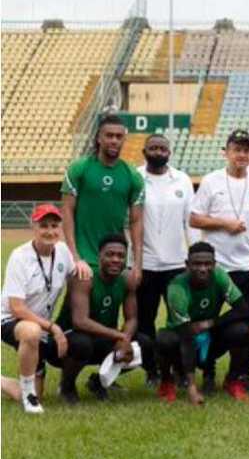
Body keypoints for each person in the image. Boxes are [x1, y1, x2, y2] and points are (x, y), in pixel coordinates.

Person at [190, 129, 249, 391]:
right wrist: (224, 224)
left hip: (247, 266)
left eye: (247, 150)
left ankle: (239, 374)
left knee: (244, 322)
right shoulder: (212, 181)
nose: (242, 154)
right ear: (225, 152)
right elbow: (195, 218)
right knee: (205, 316)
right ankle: (208, 370)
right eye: (237, 149)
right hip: (214, 267)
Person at [54, 234, 153, 404]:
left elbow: (132, 318)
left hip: (103, 339)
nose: (115, 260)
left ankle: (98, 382)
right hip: (66, 343)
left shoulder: (127, 280)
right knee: (82, 343)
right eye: (110, 254)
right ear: (99, 256)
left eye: (121, 256)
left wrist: (125, 339)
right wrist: (118, 336)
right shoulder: (85, 278)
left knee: (144, 344)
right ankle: (67, 386)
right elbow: (80, 321)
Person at [156, 242, 249, 405]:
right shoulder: (176, 287)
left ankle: (232, 380)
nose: (203, 269)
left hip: (209, 336)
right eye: (197, 264)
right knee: (163, 339)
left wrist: (210, 323)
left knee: (241, 330)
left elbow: (243, 309)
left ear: (214, 264)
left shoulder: (220, 276)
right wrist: (192, 387)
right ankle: (167, 381)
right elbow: (186, 338)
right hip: (182, 340)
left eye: (208, 264)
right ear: (187, 265)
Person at [0, 205, 75, 413]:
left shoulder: (63, 252)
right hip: (10, 320)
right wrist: (53, 328)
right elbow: (16, 307)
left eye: (54, 225)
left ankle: (8, 384)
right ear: (33, 227)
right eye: (43, 226)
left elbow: (75, 279)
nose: (50, 231)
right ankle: (29, 397)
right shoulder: (20, 256)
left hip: (40, 324)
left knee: (41, 392)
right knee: (31, 332)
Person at [60, 113, 144, 286]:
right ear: (99, 138)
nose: (114, 140)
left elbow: (136, 221)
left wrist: (137, 264)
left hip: (114, 258)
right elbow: (67, 211)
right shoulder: (79, 168)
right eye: (109, 135)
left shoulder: (132, 176)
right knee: (79, 308)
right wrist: (74, 256)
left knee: (108, 310)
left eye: (119, 137)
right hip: (83, 257)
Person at [136, 133, 193, 387]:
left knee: (179, 320)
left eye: (162, 148)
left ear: (169, 153)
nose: (158, 152)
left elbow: (190, 222)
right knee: (144, 321)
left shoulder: (182, 180)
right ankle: (151, 371)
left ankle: (180, 370)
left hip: (176, 265)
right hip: (144, 264)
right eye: (153, 148)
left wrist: (192, 255)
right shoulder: (135, 178)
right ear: (144, 151)